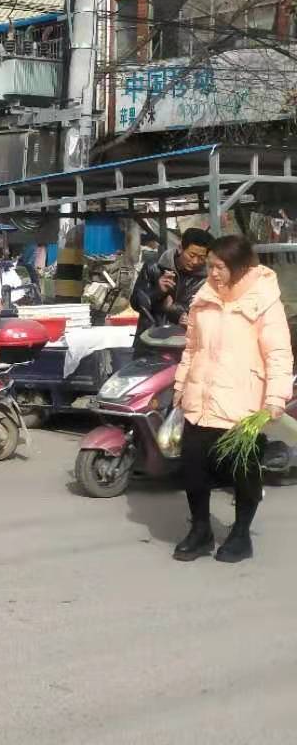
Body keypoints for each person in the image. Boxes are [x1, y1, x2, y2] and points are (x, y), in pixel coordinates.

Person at [172, 235, 293, 564]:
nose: (213, 273)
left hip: (243, 404)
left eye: (220, 267)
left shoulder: (264, 299)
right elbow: (192, 347)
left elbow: (279, 354)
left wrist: (275, 397)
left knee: (244, 472)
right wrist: (181, 384)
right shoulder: (204, 296)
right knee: (193, 467)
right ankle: (200, 531)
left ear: (240, 267)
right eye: (210, 266)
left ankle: (241, 535)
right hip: (200, 400)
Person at [130, 228, 213, 337]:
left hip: (184, 341)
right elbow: (135, 304)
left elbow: (207, 312)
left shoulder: (207, 279)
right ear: (180, 248)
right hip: (149, 338)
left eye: (201, 258)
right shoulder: (154, 267)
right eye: (191, 255)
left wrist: (173, 308)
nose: (195, 261)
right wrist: (158, 291)